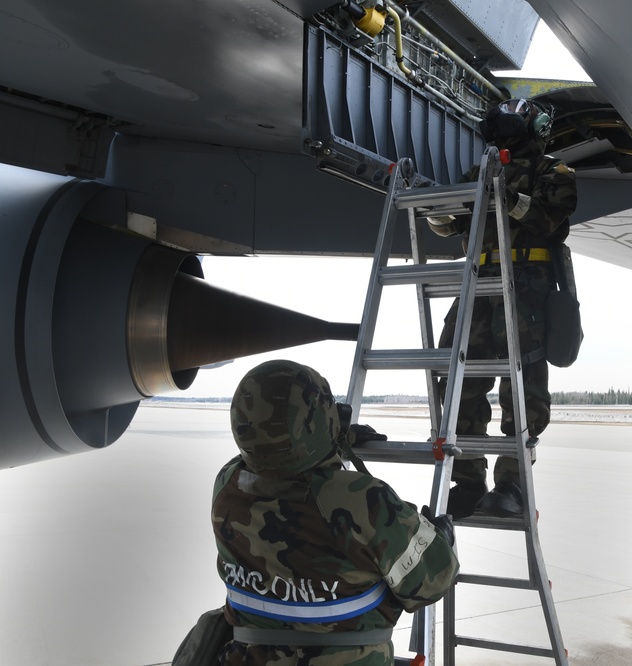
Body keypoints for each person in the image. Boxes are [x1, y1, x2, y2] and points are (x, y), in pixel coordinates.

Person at [212, 360, 460, 665]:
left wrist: (336, 439)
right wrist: (439, 539)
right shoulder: (360, 499)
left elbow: (277, 458)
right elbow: (433, 582)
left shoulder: (228, 484)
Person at [430, 97, 577, 519]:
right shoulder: (480, 174)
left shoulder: (554, 172)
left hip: (525, 287)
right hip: (478, 285)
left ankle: (512, 483)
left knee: (523, 386)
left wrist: (500, 192)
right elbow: (450, 222)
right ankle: (468, 481)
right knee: (458, 380)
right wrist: (438, 207)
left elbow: (548, 217)